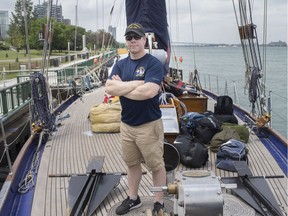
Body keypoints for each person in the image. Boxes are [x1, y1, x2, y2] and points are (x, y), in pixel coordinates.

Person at [105, 23, 167, 215]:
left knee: (156, 166)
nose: (132, 40)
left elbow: (149, 92)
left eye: (136, 37)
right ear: (126, 40)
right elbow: (110, 88)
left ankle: (159, 202)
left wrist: (122, 86)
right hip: (127, 125)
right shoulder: (120, 64)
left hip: (149, 125)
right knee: (132, 164)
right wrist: (135, 84)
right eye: (129, 37)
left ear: (143, 39)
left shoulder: (153, 64)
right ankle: (134, 198)